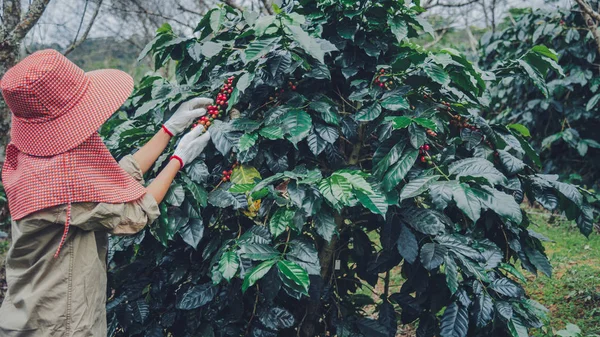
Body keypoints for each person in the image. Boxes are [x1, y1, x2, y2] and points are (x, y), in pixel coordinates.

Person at [0, 49, 211, 336]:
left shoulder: (34, 159)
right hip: (57, 324)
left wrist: (168, 130)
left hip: (26, 312)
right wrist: (180, 159)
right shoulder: (61, 181)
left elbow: (109, 186)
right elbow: (136, 213)